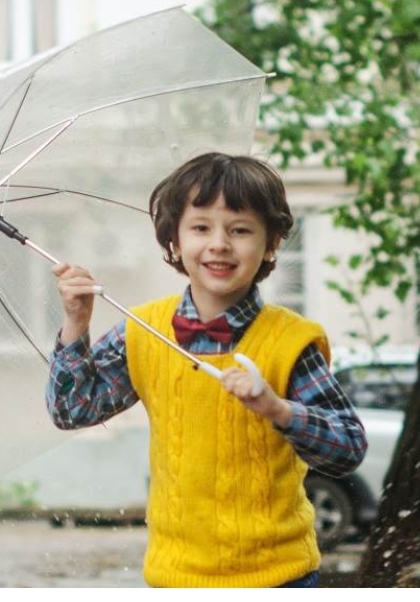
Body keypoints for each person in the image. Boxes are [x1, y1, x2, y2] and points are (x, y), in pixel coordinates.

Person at [48, 151, 366, 588]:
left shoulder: (292, 341)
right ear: (175, 241)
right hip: (175, 577)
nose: (219, 244)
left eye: (240, 230)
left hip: (277, 577)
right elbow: (71, 410)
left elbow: (347, 448)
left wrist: (278, 410)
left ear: (271, 243)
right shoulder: (143, 332)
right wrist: (76, 324)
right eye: (200, 228)